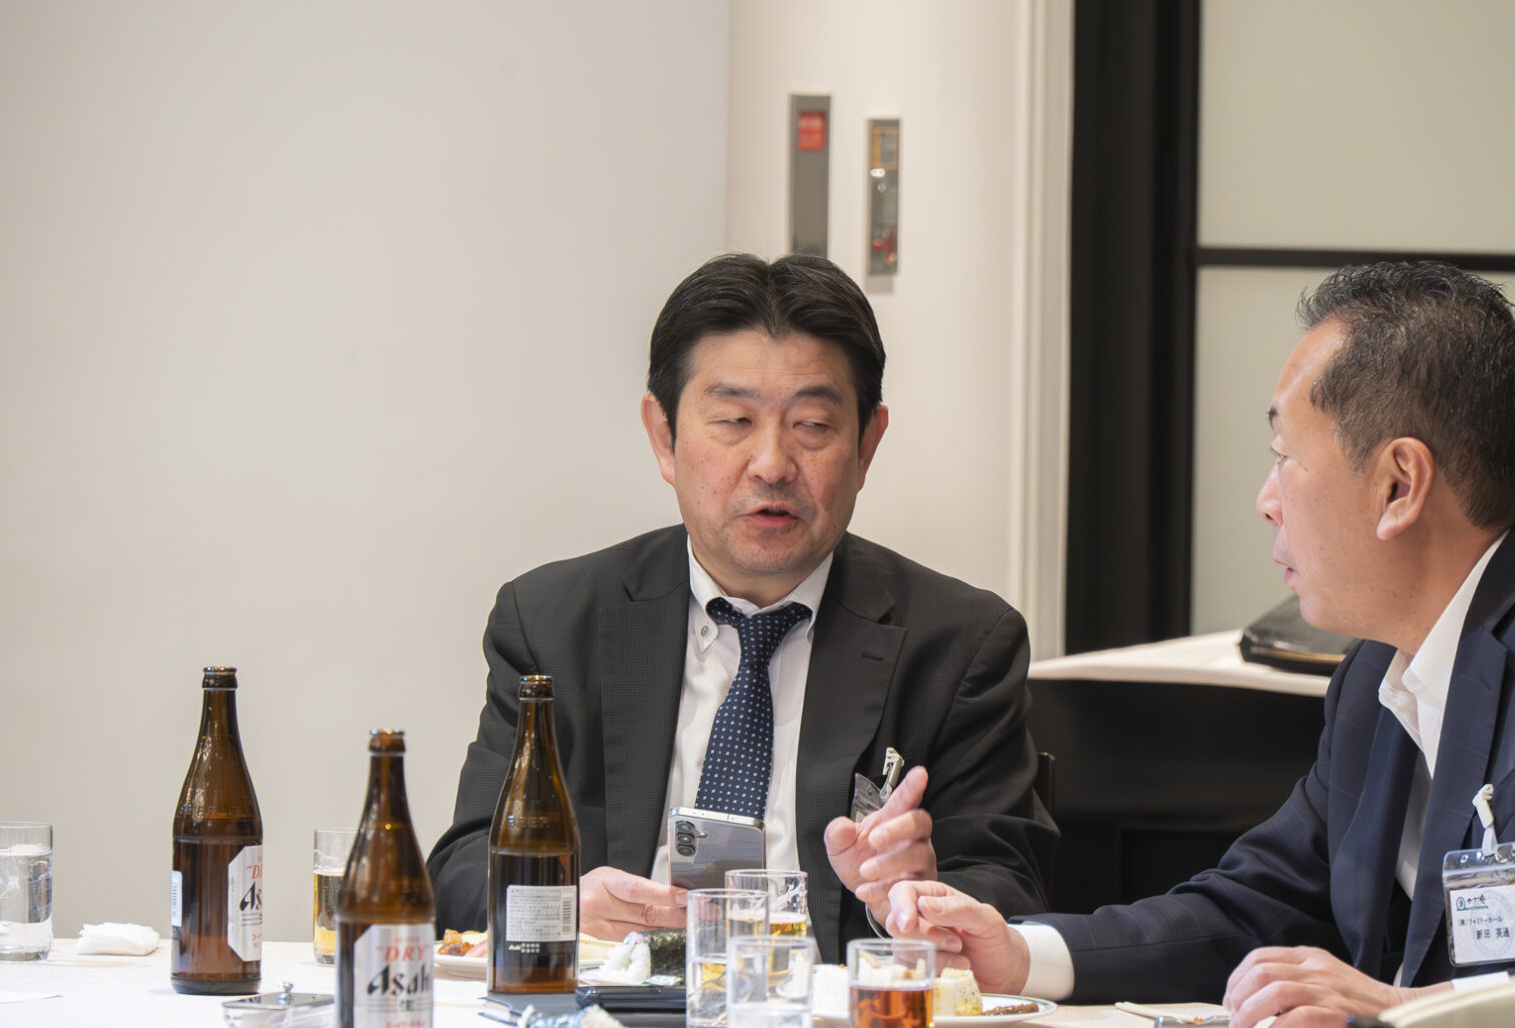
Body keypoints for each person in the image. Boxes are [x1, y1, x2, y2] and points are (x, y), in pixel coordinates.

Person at [890, 260, 1515, 1028]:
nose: (1266, 499)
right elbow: (1254, 904)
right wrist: (1022, 955)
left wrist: (1412, 1015)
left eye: (1283, 457)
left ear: (1399, 485)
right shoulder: (1378, 675)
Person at [427, 252, 1056, 958]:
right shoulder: (551, 623)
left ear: (867, 444)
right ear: (664, 437)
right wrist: (562, 906)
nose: (772, 464)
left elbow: (1010, 888)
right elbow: (462, 872)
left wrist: (917, 901)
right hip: (612, 1010)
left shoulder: (960, 644)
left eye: (812, 424)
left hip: (829, 1015)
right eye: (734, 419)